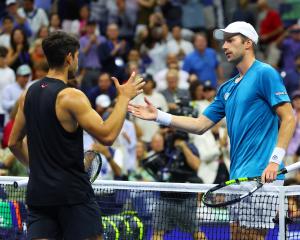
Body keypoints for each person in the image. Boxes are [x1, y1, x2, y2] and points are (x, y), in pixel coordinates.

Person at [128, 21, 296, 239]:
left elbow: (289, 118)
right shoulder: (227, 88)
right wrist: (159, 116)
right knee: (237, 235)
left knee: (251, 236)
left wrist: (275, 160)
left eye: (230, 40)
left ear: (248, 44)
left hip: (262, 175)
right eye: (223, 41)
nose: (224, 46)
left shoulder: (265, 73)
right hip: (238, 177)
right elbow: (200, 125)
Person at [8, 31, 145, 240]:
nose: (78, 61)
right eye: (78, 56)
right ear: (69, 58)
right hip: (73, 195)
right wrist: (124, 98)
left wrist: (37, 168)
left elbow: (14, 143)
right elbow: (107, 136)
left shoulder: (28, 94)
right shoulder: (71, 96)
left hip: (39, 194)